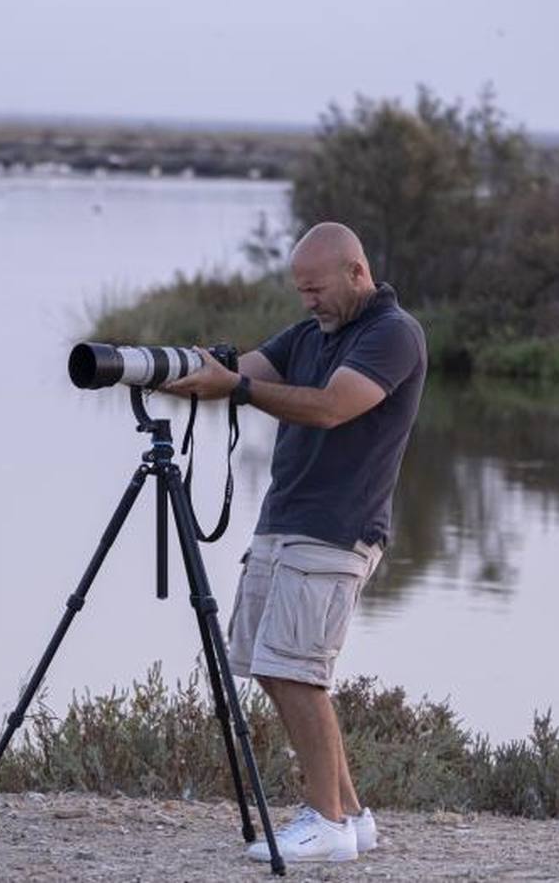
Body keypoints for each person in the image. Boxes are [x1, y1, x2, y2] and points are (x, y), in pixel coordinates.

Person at [161, 221, 426, 863]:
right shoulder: (310, 334)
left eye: (316, 288)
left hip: (337, 528)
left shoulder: (393, 333)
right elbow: (240, 369)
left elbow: (332, 406)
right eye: (300, 290)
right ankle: (353, 817)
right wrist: (164, 368)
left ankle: (326, 822)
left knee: (298, 671)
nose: (307, 301)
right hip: (283, 520)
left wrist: (237, 389)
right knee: (268, 663)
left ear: (356, 273)